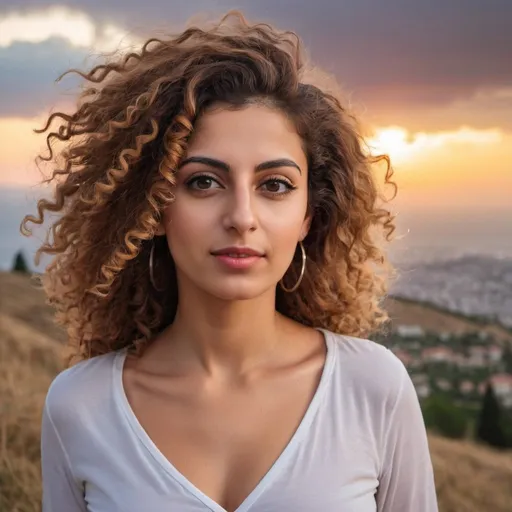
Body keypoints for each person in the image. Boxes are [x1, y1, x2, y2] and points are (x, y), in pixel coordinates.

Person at [21, 10, 438, 512]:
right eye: (203, 182)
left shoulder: (373, 389)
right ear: (152, 208)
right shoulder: (79, 407)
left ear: (309, 214)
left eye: (275, 186)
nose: (242, 217)